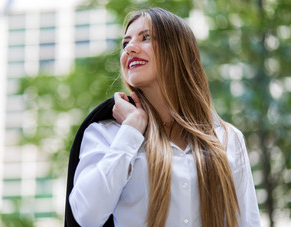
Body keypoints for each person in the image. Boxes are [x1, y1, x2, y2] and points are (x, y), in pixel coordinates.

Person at [66, 7, 261, 227]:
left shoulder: (228, 138)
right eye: (125, 43)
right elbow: (86, 215)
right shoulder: (107, 133)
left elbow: (248, 221)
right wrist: (131, 132)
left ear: (177, 50)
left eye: (145, 37)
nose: (130, 48)